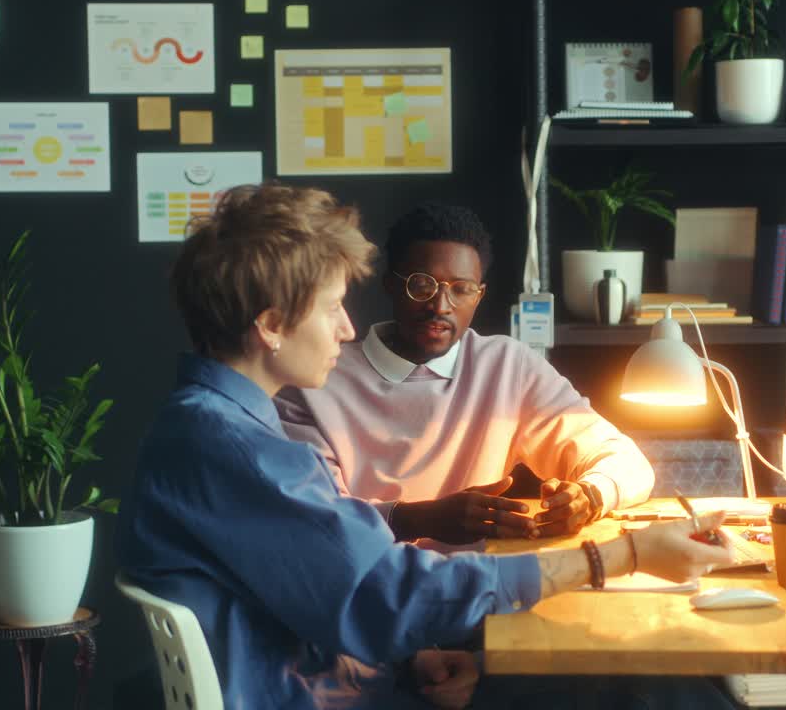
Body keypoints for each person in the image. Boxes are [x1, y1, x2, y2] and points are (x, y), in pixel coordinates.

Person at [116, 183, 735, 709]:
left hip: (357, 673)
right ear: (272, 325)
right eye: (331, 307)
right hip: (321, 695)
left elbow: (325, 583)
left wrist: (414, 664)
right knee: (653, 684)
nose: (347, 327)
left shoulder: (210, 429)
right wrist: (618, 557)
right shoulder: (237, 449)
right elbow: (387, 595)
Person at [275, 203, 654, 547]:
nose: (441, 305)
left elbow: (627, 461)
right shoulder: (317, 378)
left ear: (479, 295)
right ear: (390, 285)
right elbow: (317, 521)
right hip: (368, 593)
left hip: (478, 590)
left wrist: (591, 495)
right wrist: (419, 518)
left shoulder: (507, 367)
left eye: (461, 289)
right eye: (422, 284)